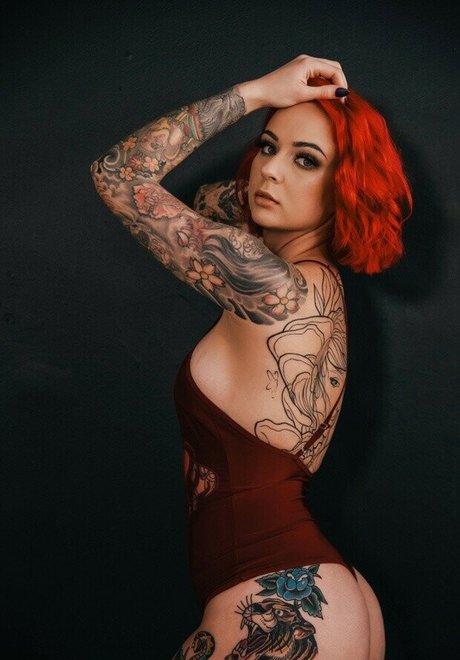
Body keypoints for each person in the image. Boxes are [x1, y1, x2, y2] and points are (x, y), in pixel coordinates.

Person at [90, 54, 412, 659]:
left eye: (306, 160)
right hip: (318, 596)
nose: (271, 171)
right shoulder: (309, 280)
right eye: (267, 147)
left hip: (278, 602)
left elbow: (120, 175)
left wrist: (260, 92)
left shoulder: (268, 285)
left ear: (344, 185)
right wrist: (286, 136)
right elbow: (211, 200)